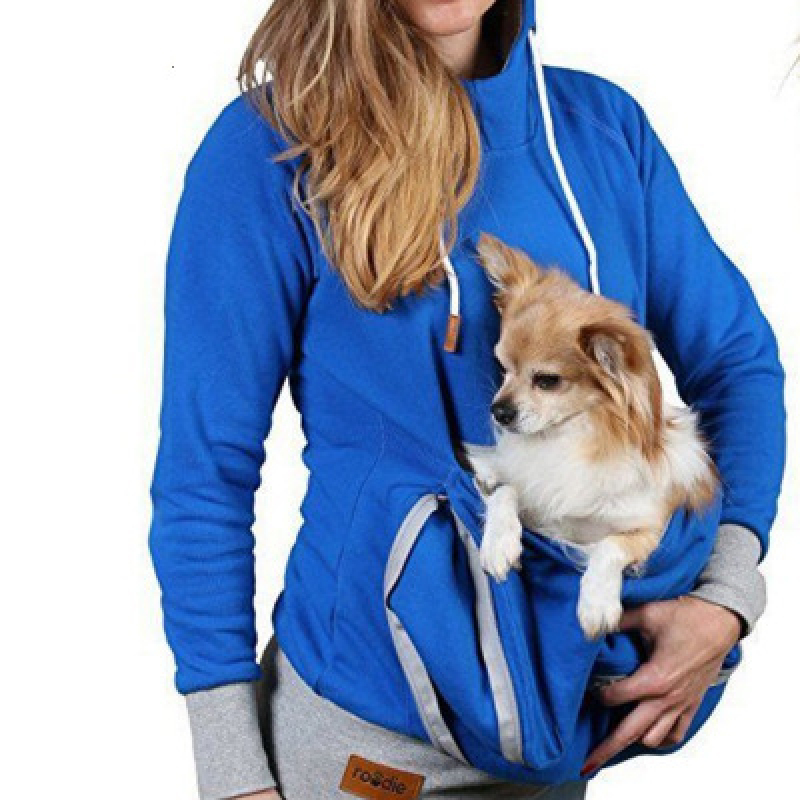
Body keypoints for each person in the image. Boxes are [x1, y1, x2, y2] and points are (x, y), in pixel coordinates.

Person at [148, 2, 786, 799]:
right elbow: (205, 468)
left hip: (560, 731)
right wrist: (232, 773)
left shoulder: (601, 131)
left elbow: (737, 363)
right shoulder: (268, 150)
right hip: (369, 740)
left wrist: (727, 595)